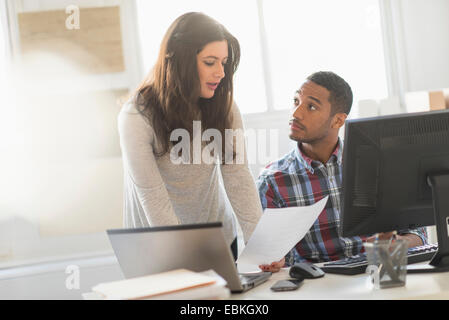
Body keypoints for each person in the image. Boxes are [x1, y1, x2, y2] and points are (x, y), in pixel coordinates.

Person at [118, 12, 262, 261]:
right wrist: (184, 254)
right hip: (155, 245)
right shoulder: (136, 115)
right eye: (210, 62)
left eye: (224, 62)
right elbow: (152, 195)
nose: (221, 73)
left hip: (217, 239)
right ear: (178, 60)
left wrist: (261, 245)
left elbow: (237, 176)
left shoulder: (224, 106)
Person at [257, 71, 428, 272]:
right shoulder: (272, 181)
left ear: (338, 120)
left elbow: (418, 233)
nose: (296, 113)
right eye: (296, 101)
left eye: (310, 106)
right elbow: (278, 258)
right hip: (319, 285)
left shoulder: (380, 164)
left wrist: (396, 244)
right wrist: (275, 260)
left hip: (377, 273)